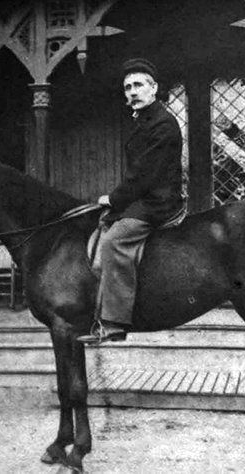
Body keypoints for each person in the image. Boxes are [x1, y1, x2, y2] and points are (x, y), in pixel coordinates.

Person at [78, 58, 185, 344]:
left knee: (115, 240)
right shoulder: (146, 120)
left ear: (154, 88)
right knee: (101, 227)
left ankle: (114, 321)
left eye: (138, 85)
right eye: (127, 87)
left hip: (159, 202)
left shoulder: (162, 124)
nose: (132, 92)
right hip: (145, 197)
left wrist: (113, 198)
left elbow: (144, 176)